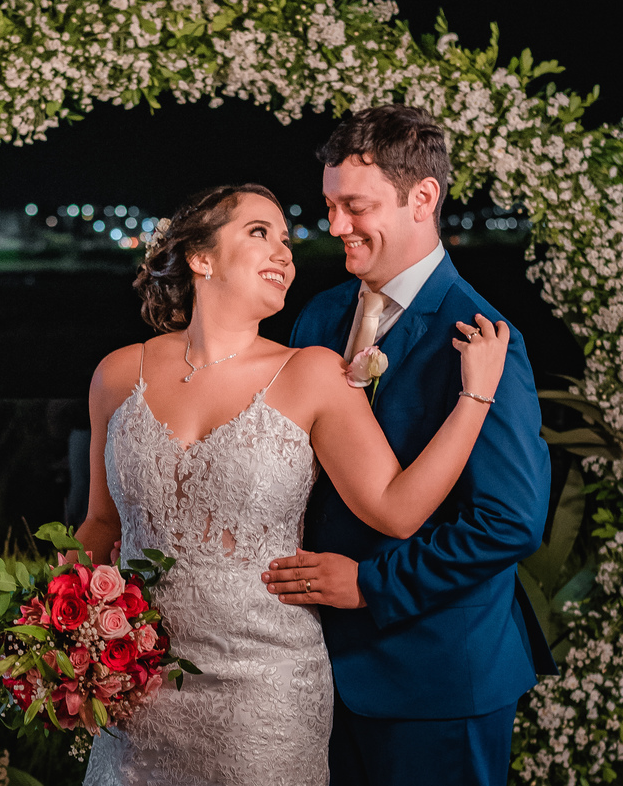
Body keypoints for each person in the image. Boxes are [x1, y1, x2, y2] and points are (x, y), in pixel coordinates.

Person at [74, 182, 510, 786]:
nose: (284, 252)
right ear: (200, 258)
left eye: (287, 240)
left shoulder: (312, 373)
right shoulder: (120, 373)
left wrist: (475, 396)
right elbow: (100, 525)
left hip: (266, 691)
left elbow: (397, 509)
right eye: (260, 233)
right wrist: (62, 643)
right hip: (137, 689)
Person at [262, 105, 557, 786]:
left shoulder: (483, 337)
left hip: (437, 681)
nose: (336, 226)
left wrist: (370, 585)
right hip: (315, 672)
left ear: (423, 198)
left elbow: (509, 521)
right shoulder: (320, 316)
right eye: (330, 206)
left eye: (355, 207)